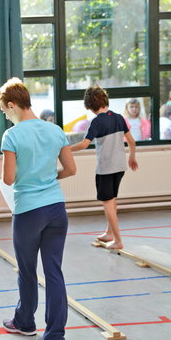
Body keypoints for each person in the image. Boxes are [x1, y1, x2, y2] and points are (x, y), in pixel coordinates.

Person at [0, 78, 76, 340]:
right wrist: (47, 176)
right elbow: (70, 169)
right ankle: (55, 337)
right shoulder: (55, 131)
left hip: (28, 210)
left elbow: (8, 178)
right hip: (56, 209)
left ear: (13, 105)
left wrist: (27, 177)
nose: (6, 116)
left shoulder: (12, 135)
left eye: (5, 111)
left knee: (27, 271)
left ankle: (25, 321)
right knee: (54, 272)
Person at [71, 85, 138, 250]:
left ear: (90, 106)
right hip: (120, 166)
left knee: (108, 203)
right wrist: (131, 157)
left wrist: (66, 149)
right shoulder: (118, 117)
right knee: (112, 200)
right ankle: (109, 233)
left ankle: (117, 240)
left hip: (106, 169)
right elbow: (131, 141)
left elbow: (84, 144)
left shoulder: (96, 122)